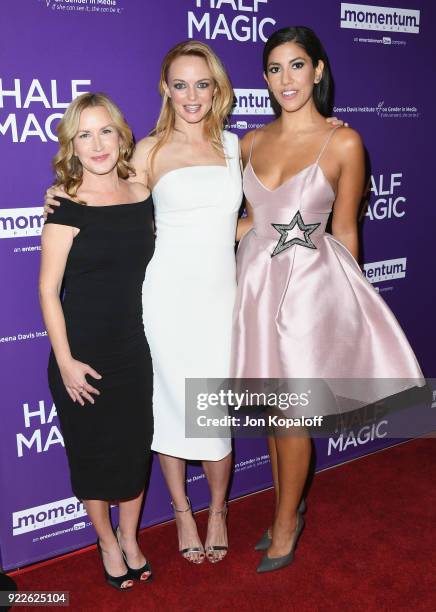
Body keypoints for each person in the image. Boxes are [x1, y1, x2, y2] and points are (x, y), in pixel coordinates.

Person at [43, 41, 345, 566]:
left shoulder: (237, 147)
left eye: (201, 84)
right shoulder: (146, 152)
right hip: (162, 298)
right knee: (169, 409)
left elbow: (260, 205)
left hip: (220, 295)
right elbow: (110, 199)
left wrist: (325, 134)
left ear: (218, 90)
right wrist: (59, 193)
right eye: (179, 84)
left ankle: (219, 509)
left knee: (214, 413)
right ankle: (183, 510)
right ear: (165, 89)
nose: (191, 95)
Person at [231, 26, 424, 573]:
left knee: (293, 412)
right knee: (272, 408)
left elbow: (345, 232)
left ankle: (289, 523)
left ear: (317, 71)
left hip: (310, 292)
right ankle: (284, 507)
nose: (285, 79)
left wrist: (351, 311)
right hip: (255, 285)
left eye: (296, 66)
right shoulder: (248, 141)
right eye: (274, 69)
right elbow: (222, 205)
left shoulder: (343, 141)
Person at [39, 92, 155, 589]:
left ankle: (130, 537)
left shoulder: (143, 191)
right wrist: (65, 361)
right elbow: (48, 289)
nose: (97, 143)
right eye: (84, 134)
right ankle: (106, 542)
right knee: (91, 456)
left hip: (135, 349)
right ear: (73, 145)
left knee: (133, 450)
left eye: (105, 130)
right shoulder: (64, 203)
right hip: (81, 353)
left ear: (121, 135)